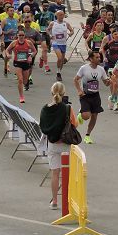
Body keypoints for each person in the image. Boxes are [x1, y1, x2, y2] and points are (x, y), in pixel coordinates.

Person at [38, 81, 79, 209]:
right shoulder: (67, 108)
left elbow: (43, 126)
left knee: (55, 174)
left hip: (52, 143)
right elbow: (75, 124)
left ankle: (55, 200)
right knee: (69, 173)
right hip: (65, 143)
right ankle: (68, 199)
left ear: (52, 93)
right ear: (64, 93)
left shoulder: (45, 108)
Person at [74, 50, 108, 144]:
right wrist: (79, 91)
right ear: (91, 59)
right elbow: (76, 80)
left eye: (99, 57)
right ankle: (81, 114)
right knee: (86, 116)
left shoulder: (101, 69)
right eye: (96, 57)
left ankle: (88, 135)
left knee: (94, 116)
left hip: (95, 95)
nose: (99, 59)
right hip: (85, 95)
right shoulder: (84, 68)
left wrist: (109, 81)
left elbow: (106, 83)